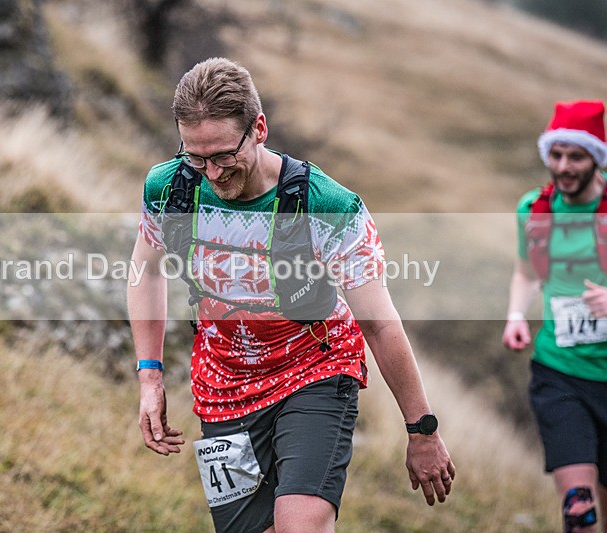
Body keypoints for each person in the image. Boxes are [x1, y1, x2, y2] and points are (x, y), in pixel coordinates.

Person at [127, 57, 454, 533]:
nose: (212, 173)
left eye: (222, 156)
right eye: (195, 157)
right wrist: (149, 377)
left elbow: (380, 325)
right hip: (224, 388)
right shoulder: (171, 188)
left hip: (314, 372)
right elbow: (145, 272)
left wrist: (422, 429)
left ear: (259, 128)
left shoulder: (326, 206)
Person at [502, 100, 607, 533]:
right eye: (556, 154)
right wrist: (515, 315)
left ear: (596, 159)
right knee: (580, 512)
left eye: (576, 156)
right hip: (560, 374)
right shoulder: (535, 209)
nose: (563, 166)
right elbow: (526, 271)